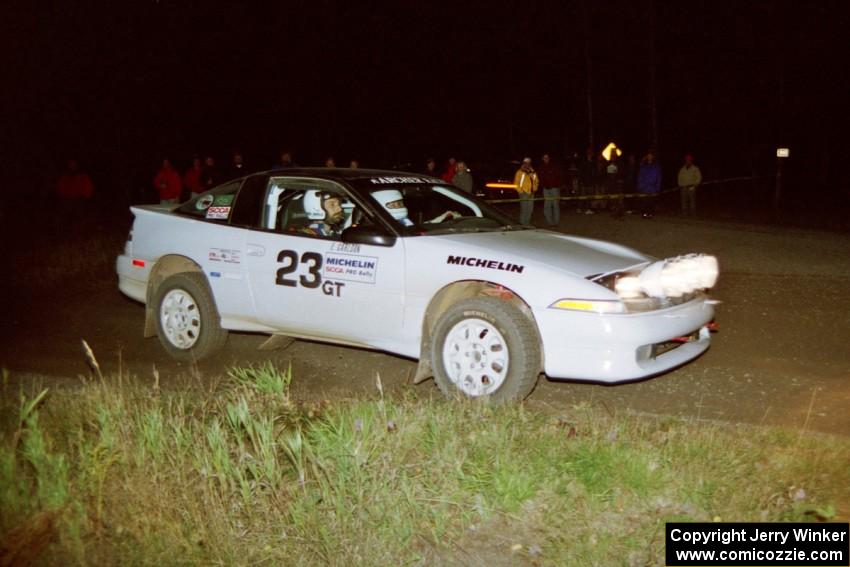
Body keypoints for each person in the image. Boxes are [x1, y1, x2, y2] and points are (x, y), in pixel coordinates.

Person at [372, 189, 460, 226]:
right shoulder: (379, 226)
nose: (399, 206)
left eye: (400, 203)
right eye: (394, 204)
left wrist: (444, 216)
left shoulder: (403, 220)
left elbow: (417, 230)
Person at [537, 152, 564, 226]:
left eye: (547, 157)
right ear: (542, 159)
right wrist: (542, 186)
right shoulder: (541, 168)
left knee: (555, 205)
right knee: (547, 206)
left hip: (554, 188)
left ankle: (556, 222)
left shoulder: (554, 166)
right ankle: (550, 222)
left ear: (549, 158)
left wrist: (558, 185)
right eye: (544, 158)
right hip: (546, 189)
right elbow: (539, 179)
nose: (546, 159)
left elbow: (559, 176)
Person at [513, 157, 539, 225]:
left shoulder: (533, 172)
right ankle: (522, 225)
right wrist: (521, 191)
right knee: (524, 210)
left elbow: (536, 181)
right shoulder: (519, 172)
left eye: (529, 163)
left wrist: (534, 189)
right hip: (523, 193)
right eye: (526, 163)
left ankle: (527, 224)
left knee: (530, 210)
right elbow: (516, 183)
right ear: (523, 163)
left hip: (531, 193)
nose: (527, 164)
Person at [637, 151, 662, 218]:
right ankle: (644, 213)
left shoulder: (656, 166)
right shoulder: (643, 166)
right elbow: (640, 176)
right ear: (647, 157)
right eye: (648, 155)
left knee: (651, 201)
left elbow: (659, 177)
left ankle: (650, 213)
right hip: (644, 187)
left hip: (652, 187)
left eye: (651, 155)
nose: (649, 157)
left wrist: (657, 187)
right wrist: (640, 186)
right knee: (644, 201)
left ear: (653, 157)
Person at [577, 148, 596, 214]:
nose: (590, 154)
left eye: (591, 153)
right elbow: (580, 172)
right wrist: (581, 181)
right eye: (589, 153)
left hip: (590, 182)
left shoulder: (593, 162)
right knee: (582, 196)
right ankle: (579, 208)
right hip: (584, 182)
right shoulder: (583, 161)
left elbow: (594, 172)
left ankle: (588, 209)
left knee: (589, 196)